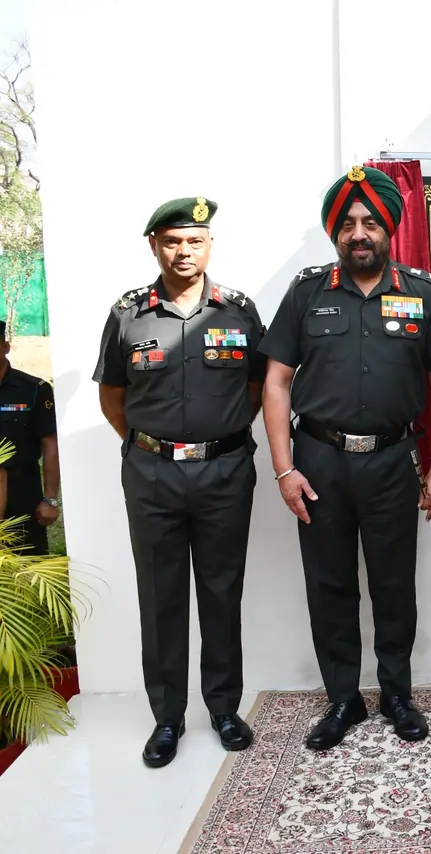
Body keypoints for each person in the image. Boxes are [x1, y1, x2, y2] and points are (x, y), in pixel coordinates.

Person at [260, 165, 431, 751]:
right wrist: (283, 467)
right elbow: (275, 382)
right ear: (334, 232)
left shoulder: (422, 292)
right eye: (348, 223)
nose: (358, 233)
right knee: (329, 584)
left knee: (394, 582)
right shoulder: (306, 292)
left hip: (393, 462)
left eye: (369, 222)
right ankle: (343, 699)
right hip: (318, 461)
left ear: (389, 229)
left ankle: (396, 694)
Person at [93, 197, 264, 768]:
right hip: (152, 473)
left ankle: (222, 708)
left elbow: (261, 385)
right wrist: (152, 444)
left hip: (224, 470)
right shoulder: (127, 314)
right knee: (161, 595)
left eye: (194, 240)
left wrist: (219, 437)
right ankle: (167, 718)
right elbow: (113, 396)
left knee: (221, 590)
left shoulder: (238, 311)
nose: (183, 251)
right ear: (154, 246)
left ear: (209, 244)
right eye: (172, 241)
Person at [0, 320, 60, 554]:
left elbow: (49, 443)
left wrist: (51, 499)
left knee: (28, 567)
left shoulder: (34, 389)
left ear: (6, 346)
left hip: (22, 491)